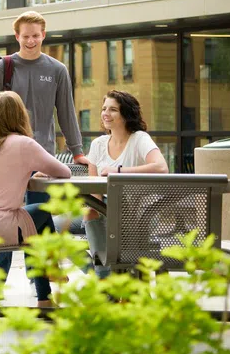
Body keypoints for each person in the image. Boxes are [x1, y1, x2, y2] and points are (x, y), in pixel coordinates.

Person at [0, 91, 72, 307]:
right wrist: (34, 174)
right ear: (21, 115)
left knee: (33, 222)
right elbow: (64, 172)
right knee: (41, 212)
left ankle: (45, 295)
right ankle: (46, 288)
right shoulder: (24, 144)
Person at [0, 11, 89, 205]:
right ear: (17, 37)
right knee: (6, 209)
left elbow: (66, 112)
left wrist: (77, 151)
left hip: (42, 156)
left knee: (39, 211)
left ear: (43, 35)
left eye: (36, 36)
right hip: (7, 154)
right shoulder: (2, 67)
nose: (31, 41)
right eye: (26, 36)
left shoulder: (57, 70)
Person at [71, 90, 169, 279]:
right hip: (105, 208)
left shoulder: (139, 138)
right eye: (104, 108)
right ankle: (103, 278)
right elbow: (94, 191)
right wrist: (93, 210)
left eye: (113, 109)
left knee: (99, 220)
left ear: (126, 114)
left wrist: (119, 171)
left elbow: (161, 167)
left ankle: (106, 283)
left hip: (138, 214)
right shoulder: (98, 144)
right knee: (56, 225)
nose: (106, 113)